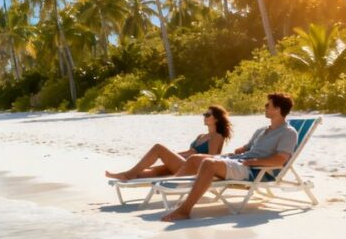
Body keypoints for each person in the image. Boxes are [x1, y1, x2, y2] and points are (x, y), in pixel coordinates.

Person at [161, 92, 298, 221]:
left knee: (209, 163)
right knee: (195, 159)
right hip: (241, 160)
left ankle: (185, 210)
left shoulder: (288, 133)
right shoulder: (262, 130)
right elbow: (247, 147)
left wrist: (255, 161)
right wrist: (239, 151)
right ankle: (171, 187)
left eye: (268, 105)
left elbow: (281, 159)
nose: (265, 107)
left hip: (254, 170)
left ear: (278, 109)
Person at [105, 105, 233, 181]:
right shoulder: (201, 136)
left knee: (158, 148)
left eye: (207, 115)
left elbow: (212, 158)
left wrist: (167, 155)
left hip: (195, 168)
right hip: (185, 164)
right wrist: (171, 156)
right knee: (153, 170)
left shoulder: (216, 137)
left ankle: (128, 174)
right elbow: (190, 152)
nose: (204, 117)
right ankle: (127, 175)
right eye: (204, 114)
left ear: (215, 118)